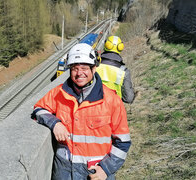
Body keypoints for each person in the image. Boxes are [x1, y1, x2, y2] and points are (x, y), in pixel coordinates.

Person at [31, 43, 131, 180]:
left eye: (84, 68)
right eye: (75, 69)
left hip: (94, 172)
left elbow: (123, 142)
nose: (79, 73)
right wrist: (55, 123)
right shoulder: (59, 93)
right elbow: (38, 108)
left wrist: (106, 169)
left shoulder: (111, 101)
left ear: (94, 68)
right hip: (64, 172)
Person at [96, 35, 135, 104]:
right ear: (120, 48)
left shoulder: (94, 65)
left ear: (106, 45)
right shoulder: (124, 71)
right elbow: (129, 98)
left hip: (94, 105)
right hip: (114, 106)